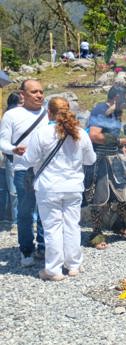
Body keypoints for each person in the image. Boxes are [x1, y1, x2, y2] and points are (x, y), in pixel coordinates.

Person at [23, 97, 96, 281]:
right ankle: (73, 265)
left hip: (49, 188)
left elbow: (30, 160)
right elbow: (90, 160)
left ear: (49, 112)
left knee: (52, 228)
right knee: (72, 225)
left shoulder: (42, 133)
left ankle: (53, 270)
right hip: (73, 187)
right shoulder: (80, 133)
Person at [85, 84, 126, 250]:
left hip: (113, 159)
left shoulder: (116, 113)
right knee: (99, 199)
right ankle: (96, 233)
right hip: (99, 160)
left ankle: (119, 224)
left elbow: (110, 135)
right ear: (117, 97)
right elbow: (94, 135)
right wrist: (118, 142)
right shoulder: (100, 109)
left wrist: (119, 146)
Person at [0, 80, 48, 267]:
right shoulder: (12, 115)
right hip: (23, 170)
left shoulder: (48, 114)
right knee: (26, 212)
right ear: (22, 94)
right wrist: (13, 149)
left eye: (41, 91)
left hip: (47, 170)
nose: (39, 95)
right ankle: (26, 249)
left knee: (46, 211)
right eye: (34, 91)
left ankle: (44, 247)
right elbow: (2, 142)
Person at [0, 92, 21, 228]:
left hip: (13, 157)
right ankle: (15, 220)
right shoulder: (8, 118)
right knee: (13, 190)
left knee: (12, 190)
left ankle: (14, 220)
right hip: (11, 156)